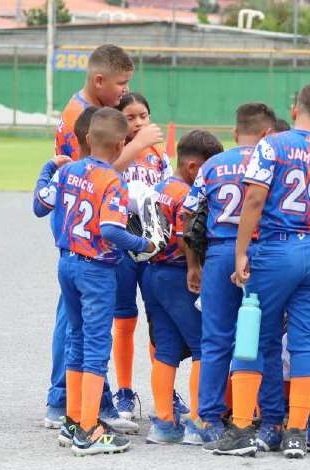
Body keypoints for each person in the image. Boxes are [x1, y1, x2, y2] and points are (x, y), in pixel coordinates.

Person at [204, 83, 310, 459]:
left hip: (277, 247)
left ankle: (249, 427)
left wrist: (240, 253)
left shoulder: (272, 144)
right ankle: (297, 431)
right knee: (305, 342)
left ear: (295, 107)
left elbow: (253, 198)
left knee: (255, 336)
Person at [40, 108, 160, 455]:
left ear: (88, 138)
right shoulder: (113, 180)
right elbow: (109, 229)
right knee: (95, 347)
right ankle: (89, 430)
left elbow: (40, 205)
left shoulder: (70, 170)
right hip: (95, 269)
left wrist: (48, 168)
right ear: (123, 142)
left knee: (76, 339)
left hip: (67, 263)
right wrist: (143, 244)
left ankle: (74, 420)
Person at [180, 103, 281, 448]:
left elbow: (188, 213)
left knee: (215, 339)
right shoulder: (273, 160)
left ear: (236, 133)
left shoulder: (212, 164)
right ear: (269, 134)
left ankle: (207, 418)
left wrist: (194, 263)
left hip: (220, 251)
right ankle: (262, 416)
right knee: (261, 338)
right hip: (260, 252)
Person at [142, 130, 223, 445]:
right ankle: (199, 422)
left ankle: (164, 422)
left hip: (152, 272)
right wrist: (194, 266)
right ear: (193, 167)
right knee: (204, 344)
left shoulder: (158, 186)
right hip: (178, 274)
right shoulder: (185, 193)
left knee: (166, 350)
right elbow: (183, 233)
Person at [111, 92, 173, 420]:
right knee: (123, 319)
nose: (138, 123)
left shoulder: (158, 152)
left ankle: (165, 392)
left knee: (157, 319)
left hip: (151, 242)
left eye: (143, 116)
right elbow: (107, 173)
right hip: (121, 243)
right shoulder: (116, 147)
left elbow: (168, 189)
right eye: (131, 117)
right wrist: (136, 142)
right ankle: (123, 390)